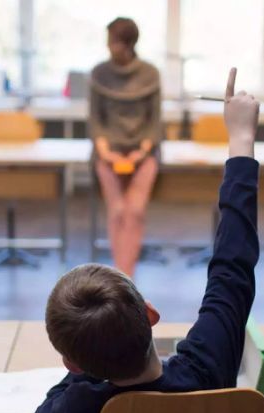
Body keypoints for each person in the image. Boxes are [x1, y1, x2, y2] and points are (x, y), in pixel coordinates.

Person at [34, 68, 260, 413]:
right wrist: (241, 138)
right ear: (151, 314)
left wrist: (82, 362)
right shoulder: (207, 369)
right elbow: (232, 268)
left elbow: (46, 412)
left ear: (72, 365)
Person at [89, 17, 162, 278]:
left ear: (128, 43)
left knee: (135, 211)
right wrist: (105, 151)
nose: (109, 47)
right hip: (108, 151)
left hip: (143, 151)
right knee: (118, 210)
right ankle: (120, 278)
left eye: (114, 41)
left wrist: (141, 151)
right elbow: (96, 120)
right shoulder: (99, 73)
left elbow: (154, 121)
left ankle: (127, 277)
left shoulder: (150, 74)